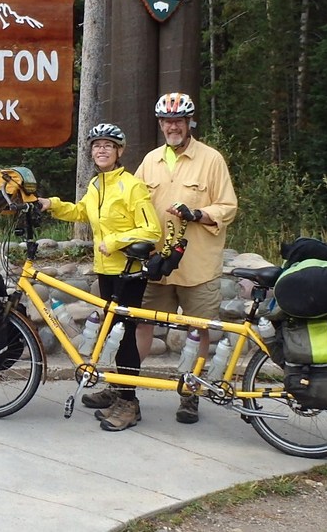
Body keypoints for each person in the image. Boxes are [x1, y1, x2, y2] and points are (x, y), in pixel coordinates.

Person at [37, 123, 161, 432]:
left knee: (125, 335)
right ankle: (120, 390)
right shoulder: (96, 186)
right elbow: (81, 212)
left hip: (129, 272)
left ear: (120, 151)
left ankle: (130, 404)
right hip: (106, 271)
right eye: (96, 145)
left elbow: (152, 230)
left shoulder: (131, 186)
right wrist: (50, 204)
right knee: (114, 333)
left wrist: (117, 241)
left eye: (108, 145)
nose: (101, 149)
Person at [134, 92, 238, 424]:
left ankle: (190, 394)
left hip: (198, 264)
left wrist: (198, 213)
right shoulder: (150, 160)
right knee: (142, 323)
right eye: (166, 121)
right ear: (160, 124)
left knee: (198, 330)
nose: (172, 126)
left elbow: (228, 207)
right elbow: (132, 203)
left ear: (189, 122)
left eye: (178, 120)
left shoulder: (211, 159)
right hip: (159, 263)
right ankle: (126, 389)